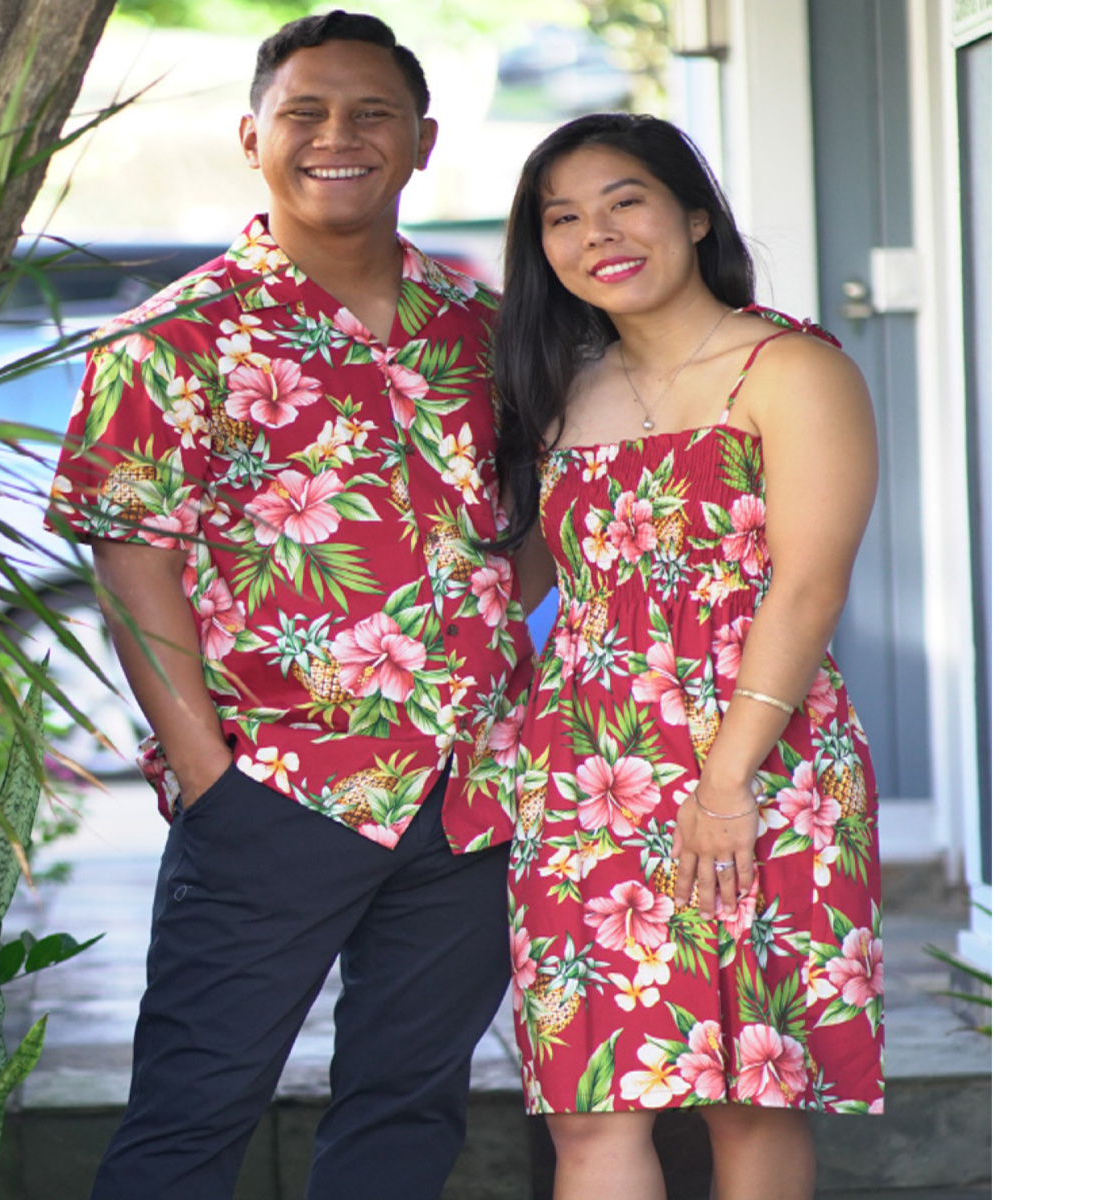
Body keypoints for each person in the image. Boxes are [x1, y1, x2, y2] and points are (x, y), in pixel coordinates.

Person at [45, 12, 534, 1199]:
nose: (337, 137)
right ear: (251, 136)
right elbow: (133, 565)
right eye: (305, 112)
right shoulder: (170, 341)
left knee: (408, 1111)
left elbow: (528, 529)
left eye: (371, 114)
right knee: (191, 1113)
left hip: (471, 791)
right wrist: (206, 774)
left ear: (421, 142)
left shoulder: (490, 335)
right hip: (276, 786)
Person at [493, 113, 884, 1200]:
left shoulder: (790, 368)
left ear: (692, 213)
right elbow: (529, 580)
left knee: (747, 1097)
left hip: (761, 764)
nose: (596, 234)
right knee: (588, 1105)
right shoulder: (560, 393)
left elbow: (808, 586)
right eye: (561, 216)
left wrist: (722, 782)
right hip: (584, 775)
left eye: (624, 200)